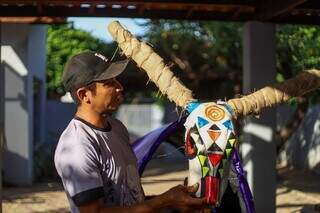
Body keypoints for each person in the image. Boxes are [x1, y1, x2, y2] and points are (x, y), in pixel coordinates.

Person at [54, 51, 206, 213]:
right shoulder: (77, 145)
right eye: (109, 83)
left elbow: (130, 198)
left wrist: (170, 201)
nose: (120, 87)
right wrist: (164, 200)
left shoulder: (117, 128)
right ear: (84, 95)